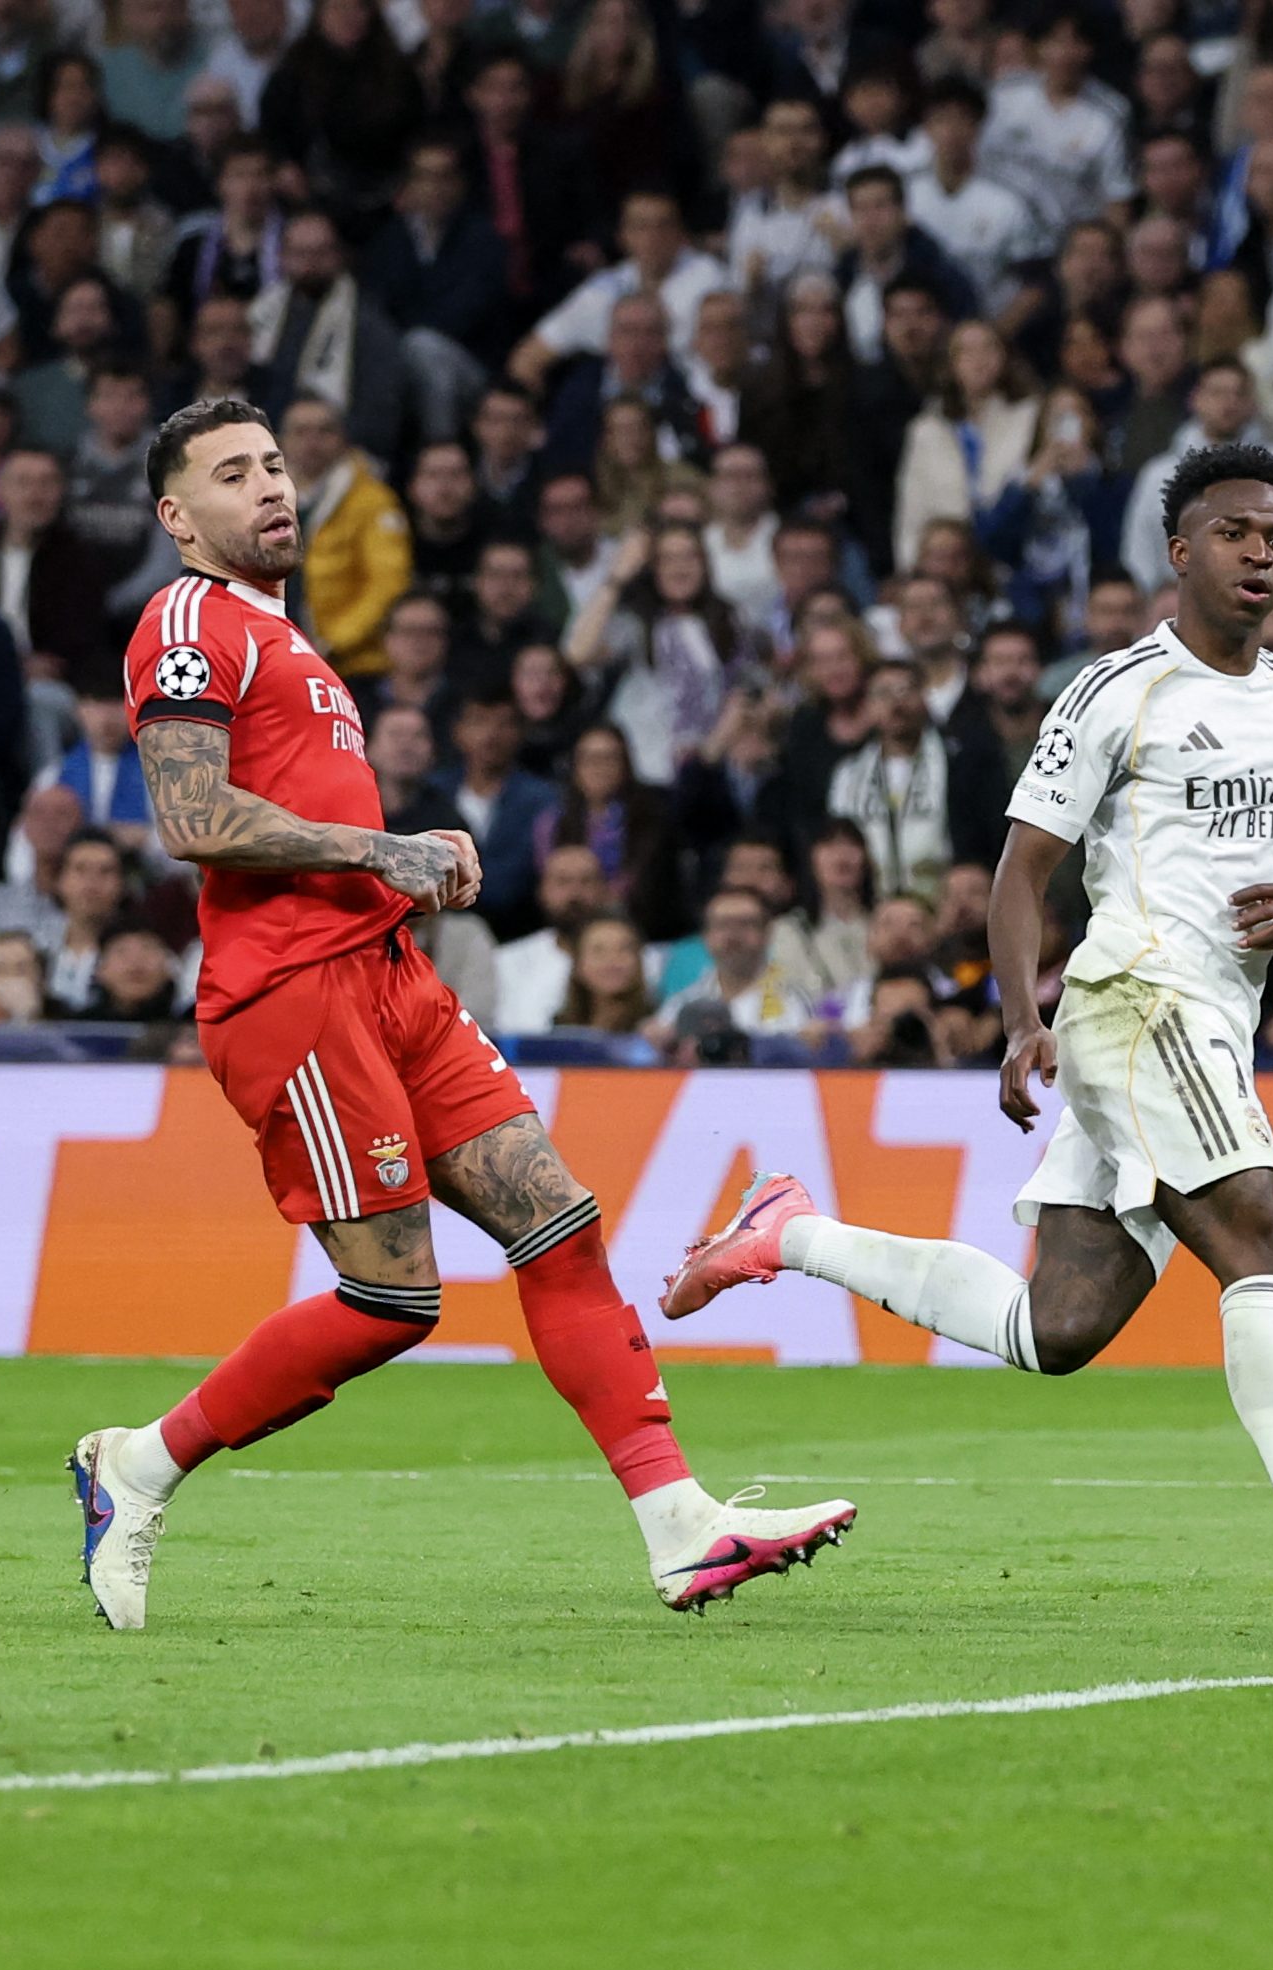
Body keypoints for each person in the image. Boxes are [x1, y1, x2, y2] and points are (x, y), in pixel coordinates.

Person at [67, 398, 856, 1632]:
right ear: (177, 517)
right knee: (392, 1302)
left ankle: (682, 1527)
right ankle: (140, 1463)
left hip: (388, 978)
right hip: (294, 996)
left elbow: (303, 811)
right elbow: (190, 817)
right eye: (233, 476)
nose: (270, 488)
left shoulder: (293, 641)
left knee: (558, 1221)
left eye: (275, 465)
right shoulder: (187, 621)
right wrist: (379, 847)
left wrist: (400, 852)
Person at [660, 443, 1273, 1636]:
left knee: (1058, 1330)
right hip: (1134, 1002)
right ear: (1181, 551)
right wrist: (1022, 1016)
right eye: (1237, 534)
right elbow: (1021, 869)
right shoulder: (1113, 692)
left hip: (1213, 1028)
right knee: (1263, 1243)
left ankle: (792, 1231)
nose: (1262, 555)